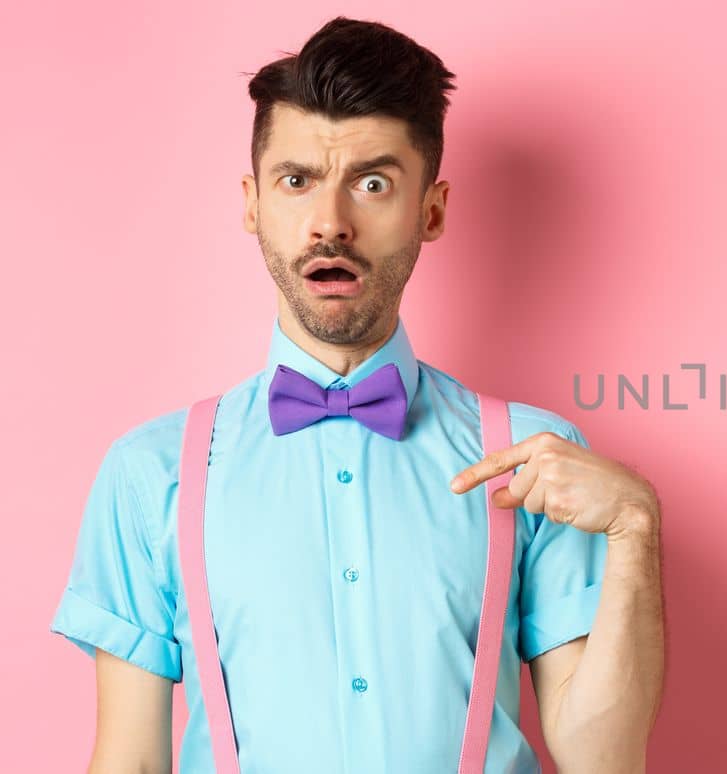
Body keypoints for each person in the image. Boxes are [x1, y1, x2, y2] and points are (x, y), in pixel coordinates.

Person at [48, 16, 665, 773]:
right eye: (297, 180)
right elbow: (131, 763)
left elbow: (602, 760)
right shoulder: (151, 473)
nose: (330, 223)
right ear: (253, 204)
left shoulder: (537, 462)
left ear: (430, 211)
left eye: (373, 183)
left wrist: (635, 526)